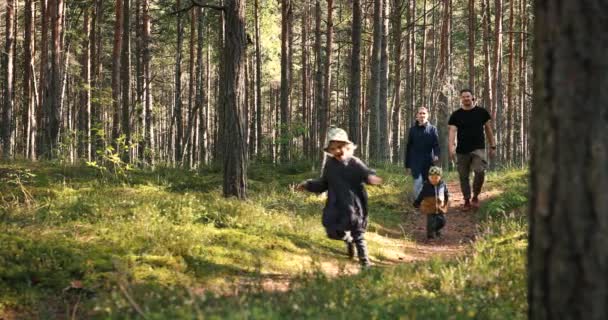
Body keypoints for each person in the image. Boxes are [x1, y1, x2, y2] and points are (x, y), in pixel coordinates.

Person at [296, 127, 382, 267]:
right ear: (329, 151)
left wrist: (371, 178)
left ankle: (366, 265)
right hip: (336, 206)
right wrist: (308, 185)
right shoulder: (330, 165)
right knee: (332, 232)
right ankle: (348, 240)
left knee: (358, 235)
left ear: (348, 147)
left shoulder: (355, 162)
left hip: (354, 206)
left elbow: (366, 173)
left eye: (340, 147)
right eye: (333, 148)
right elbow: (324, 183)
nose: (337, 151)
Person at [448, 89, 496, 211]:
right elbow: (452, 132)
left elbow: (489, 130)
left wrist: (493, 145)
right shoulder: (456, 115)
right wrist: (451, 147)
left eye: (468, 96)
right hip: (462, 150)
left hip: (478, 149)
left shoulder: (482, 112)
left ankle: (475, 196)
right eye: (463, 97)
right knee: (463, 176)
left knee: (480, 171)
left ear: (472, 97)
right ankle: (467, 200)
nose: (466, 98)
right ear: (461, 99)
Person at [404, 107, 440, 199]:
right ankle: (418, 204)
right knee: (418, 181)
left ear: (427, 115)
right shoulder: (412, 130)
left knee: (428, 182)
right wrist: (407, 165)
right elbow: (409, 148)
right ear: (417, 116)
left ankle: (429, 202)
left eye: (424, 113)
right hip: (415, 161)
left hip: (429, 161)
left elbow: (436, 144)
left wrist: (436, 154)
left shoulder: (432, 129)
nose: (422, 115)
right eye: (420, 113)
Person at [413, 166, 449, 239]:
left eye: (436, 178)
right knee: (431, 221)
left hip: (440, 207)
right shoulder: (426, 186)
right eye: (432, 178)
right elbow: (421, 194)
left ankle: (436, 229)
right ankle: (430, 235)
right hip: (429, 206)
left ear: (440, 177)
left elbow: (446, 194)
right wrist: (417, 202)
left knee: (442, 221)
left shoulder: (442, 185)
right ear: (428, 177)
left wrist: (446, 202)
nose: (434, 180)